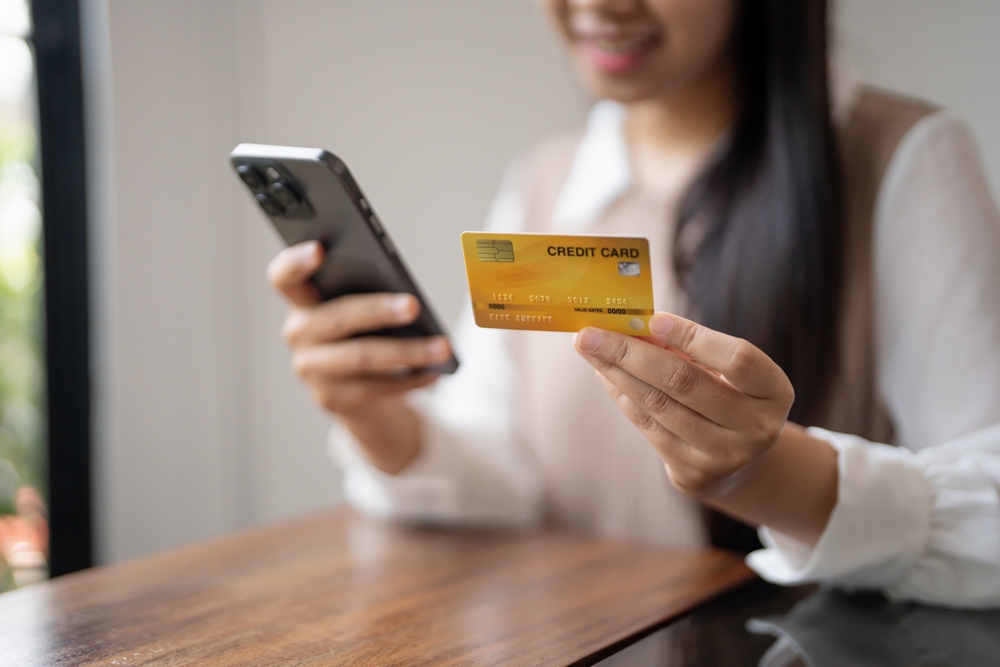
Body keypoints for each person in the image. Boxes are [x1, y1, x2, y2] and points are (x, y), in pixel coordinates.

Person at [267, 0, 1000, 608]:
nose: (599, 7)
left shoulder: (903, 160)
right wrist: (376, 418)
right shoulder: (542, 184)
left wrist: (770, 474)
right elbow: (504, 475)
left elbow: (990, 508)